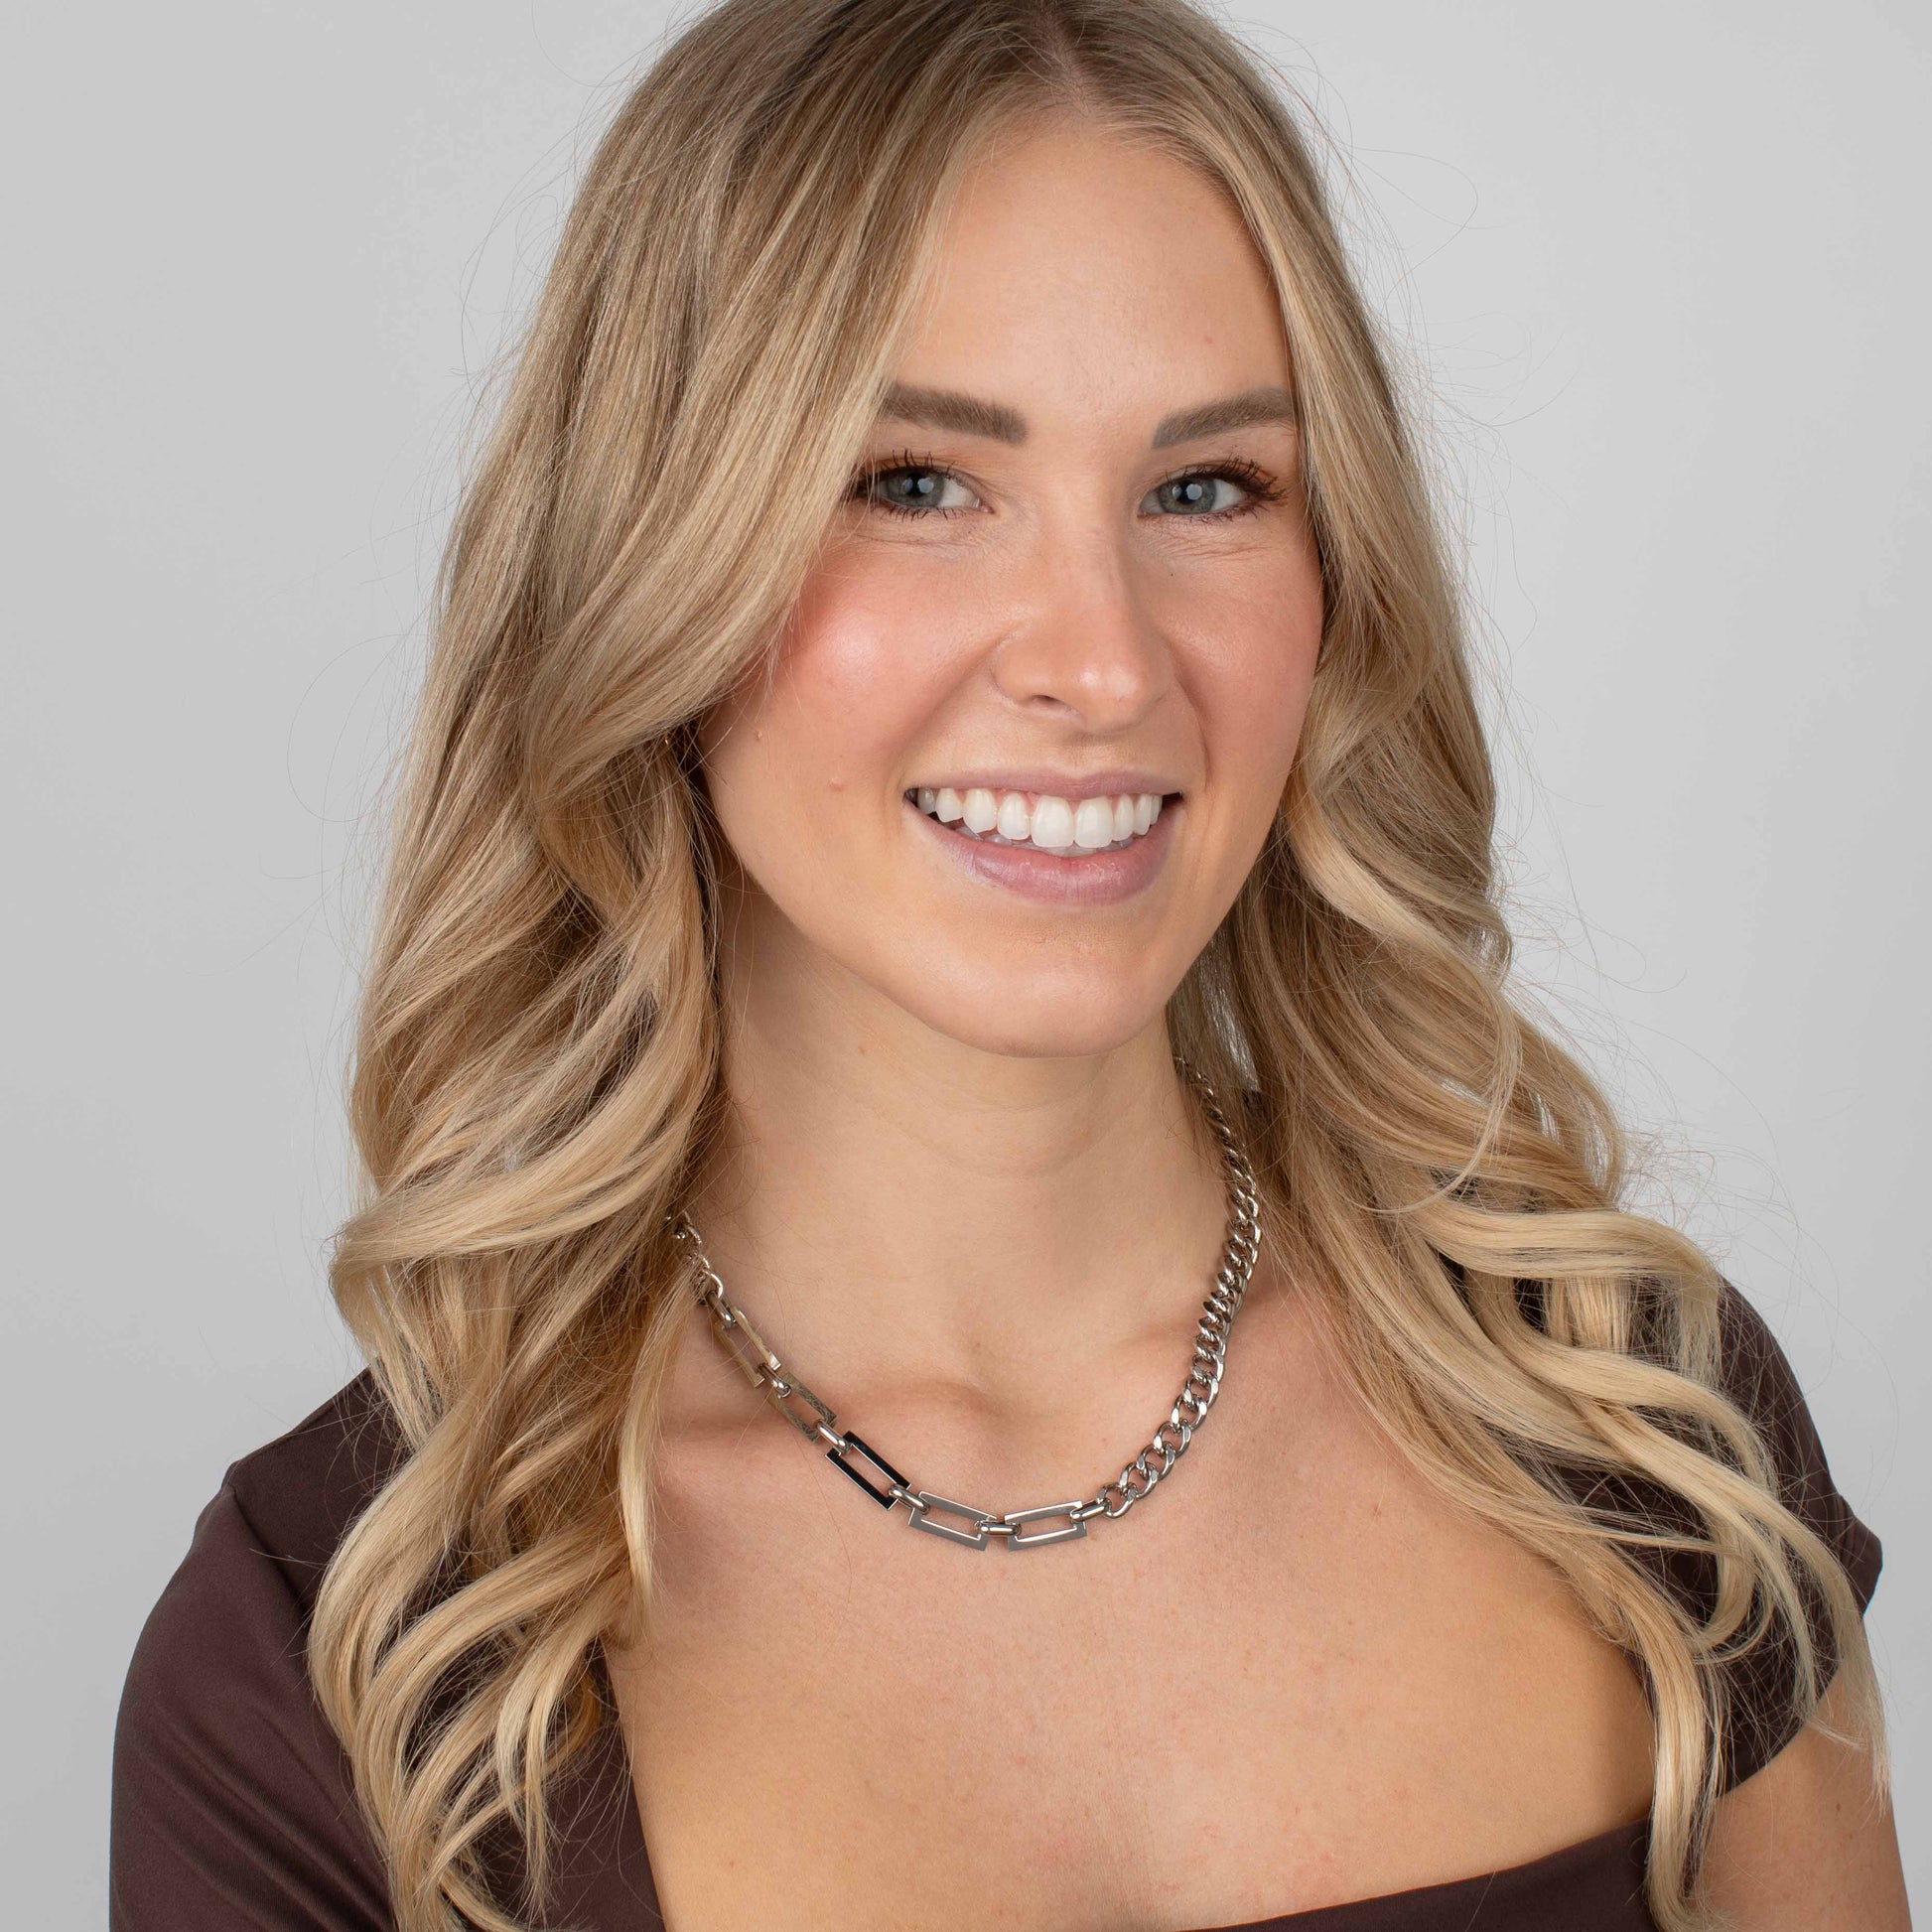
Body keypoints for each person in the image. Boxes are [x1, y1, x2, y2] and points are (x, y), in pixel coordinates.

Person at [109, 0, 1908, 1927]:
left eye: (1205, 487)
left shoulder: (1634, 1422)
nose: (1103, 658)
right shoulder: (338, 1663)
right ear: (651, 572)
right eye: (916, 482)